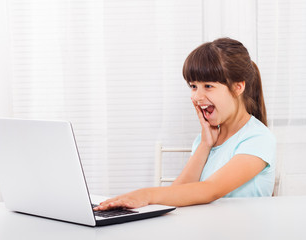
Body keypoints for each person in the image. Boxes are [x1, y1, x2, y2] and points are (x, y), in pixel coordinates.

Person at [94, 37, 276, 211]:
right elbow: (178, 195)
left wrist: (146, 194)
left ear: (238, 87)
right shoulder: (205, 140)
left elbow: (211, 190)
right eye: (193, 86)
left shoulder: (258, 138)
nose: (196, 97)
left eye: (208, 86)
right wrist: (205, 145)